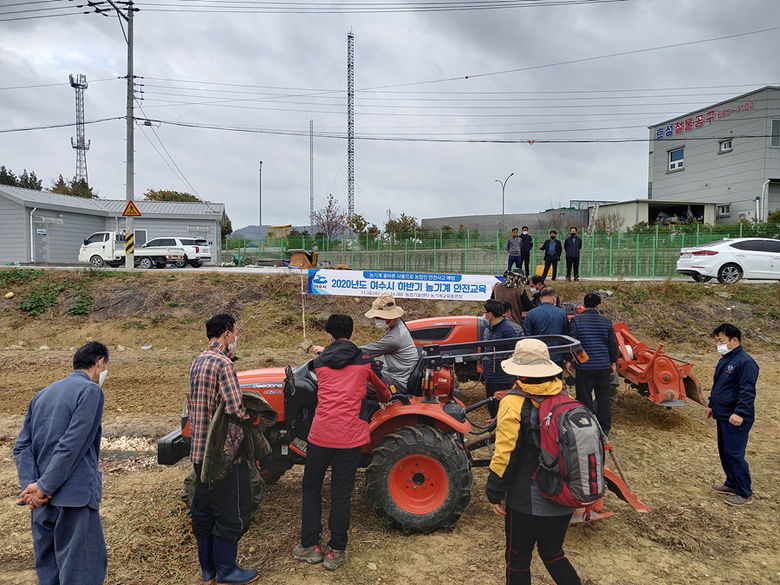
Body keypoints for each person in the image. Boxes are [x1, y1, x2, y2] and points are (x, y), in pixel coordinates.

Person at [294, 314, 391, 569]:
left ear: (328, 335)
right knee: (341, 492)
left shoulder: (318, 362)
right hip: (349, 438)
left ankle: (310, 545)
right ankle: (336, 550)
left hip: (320, 435)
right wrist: (386, 395)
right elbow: (382, 390)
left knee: (312, 487)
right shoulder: (365, 361)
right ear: (354, 332)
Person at [486, 339, 581, 585]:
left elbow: (505, 454)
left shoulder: (514, 401)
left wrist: (494, 492)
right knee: (553, 553)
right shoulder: (563, 396)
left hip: (527, 499)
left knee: (518, 559)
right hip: (563, 495)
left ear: (519, 370)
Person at [13, 342, 109, 585]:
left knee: (49, 573)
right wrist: (44, 487)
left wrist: (31, 487)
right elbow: (72, 443)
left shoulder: (42, 395)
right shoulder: (90, 391)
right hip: (73, 498)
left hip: (40, 504)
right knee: (82, 573)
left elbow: (22, 446)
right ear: (100, 362)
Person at [188, 313, 258, 585]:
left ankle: (209, 572)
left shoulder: (197, 361)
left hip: (199, 452)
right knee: (229, 511)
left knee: (203, 510)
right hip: (221, 456)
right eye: (235, 332)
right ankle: (228, 570)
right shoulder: (223, 364)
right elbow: (234, 410)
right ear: (227, 334)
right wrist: (253, 420)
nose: (236, 337)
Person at [706, 323, 759, 506]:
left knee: (734, 453)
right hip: (723, 414)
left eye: (721, 340)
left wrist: (740, 413)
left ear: (734, 340)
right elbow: (719, 385)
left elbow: (747, 392)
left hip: (736, 417)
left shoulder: (746, 362)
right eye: (717, 341)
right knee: (724, 451)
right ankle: (731, 483)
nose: (718, 344)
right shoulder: (725, 359)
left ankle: (744, 492)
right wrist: (711, 404)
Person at [566, 293, 617, 437]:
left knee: (584, 397)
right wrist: (613, 362)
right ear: (598, 305)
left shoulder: (576, 320)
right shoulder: (607, 322)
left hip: (585, 366)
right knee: (603, 398)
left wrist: (570, 359)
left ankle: (587, 426)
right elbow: (612, 344)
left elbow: (573, 342)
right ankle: (605, 428)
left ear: (584, 304)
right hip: (603, 366)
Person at [359, 293, 419, 394]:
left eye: (379, 317)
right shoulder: (398, 324)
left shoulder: (394, 339)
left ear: (389, 318)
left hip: (398, 382)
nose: (376, 320)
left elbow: (365, 351)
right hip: (396, 373)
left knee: (358, 382)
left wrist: (335, 350)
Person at [482, 299, 520, 418]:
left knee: (502, 409)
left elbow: (514, 353)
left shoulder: (507, 330)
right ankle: (494, 434)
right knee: (492, 407)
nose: (483, 314)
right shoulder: (489, 328)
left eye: (485, 312)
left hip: (502, 378)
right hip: (490, 376)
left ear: (491, 314)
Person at [522, 288, 569, 368]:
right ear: (555, 297)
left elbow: (527, 337)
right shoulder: (562, 314)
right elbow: (567, 336)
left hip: (537, 357)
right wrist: (567, 358)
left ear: (540, 298)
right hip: (556, 356)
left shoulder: (530, 314)